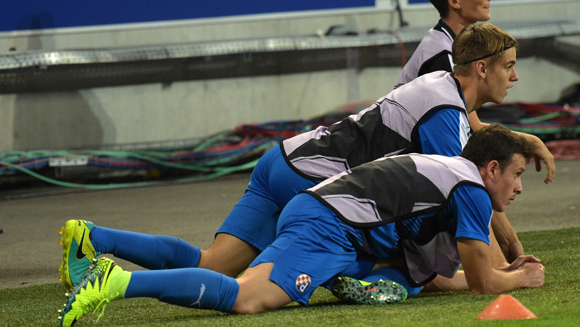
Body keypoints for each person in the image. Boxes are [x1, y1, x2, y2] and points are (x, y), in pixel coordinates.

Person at [58, 23, 550, 295]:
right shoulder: (446, 113)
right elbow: (468, 195)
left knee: (214, 265)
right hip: (316, 184)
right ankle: (358, 282)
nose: (515, 77)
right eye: (509, 67)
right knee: (263, 289)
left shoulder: (441, 91)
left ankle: (92, 237)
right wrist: (509, 262)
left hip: (287, 158)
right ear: (481, 69)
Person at [57, 124, 545, 325]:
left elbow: (446, 276)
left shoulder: (451, 175)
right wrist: (518, 276)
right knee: (245, 296)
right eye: (518, 175)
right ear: (492, 169)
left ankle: (95, 240)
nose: (519, 189)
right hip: (330, 224)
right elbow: (483, 281)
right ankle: (115, 281)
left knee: (219, 269)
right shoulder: (472, 191)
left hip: (320, 209)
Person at [393, 0, 555, 264]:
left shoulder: (452, 48)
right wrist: (506, 260)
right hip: (397, 189)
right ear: (455, 1)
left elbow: (475, 133)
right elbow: (470, 163)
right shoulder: (441, 58)